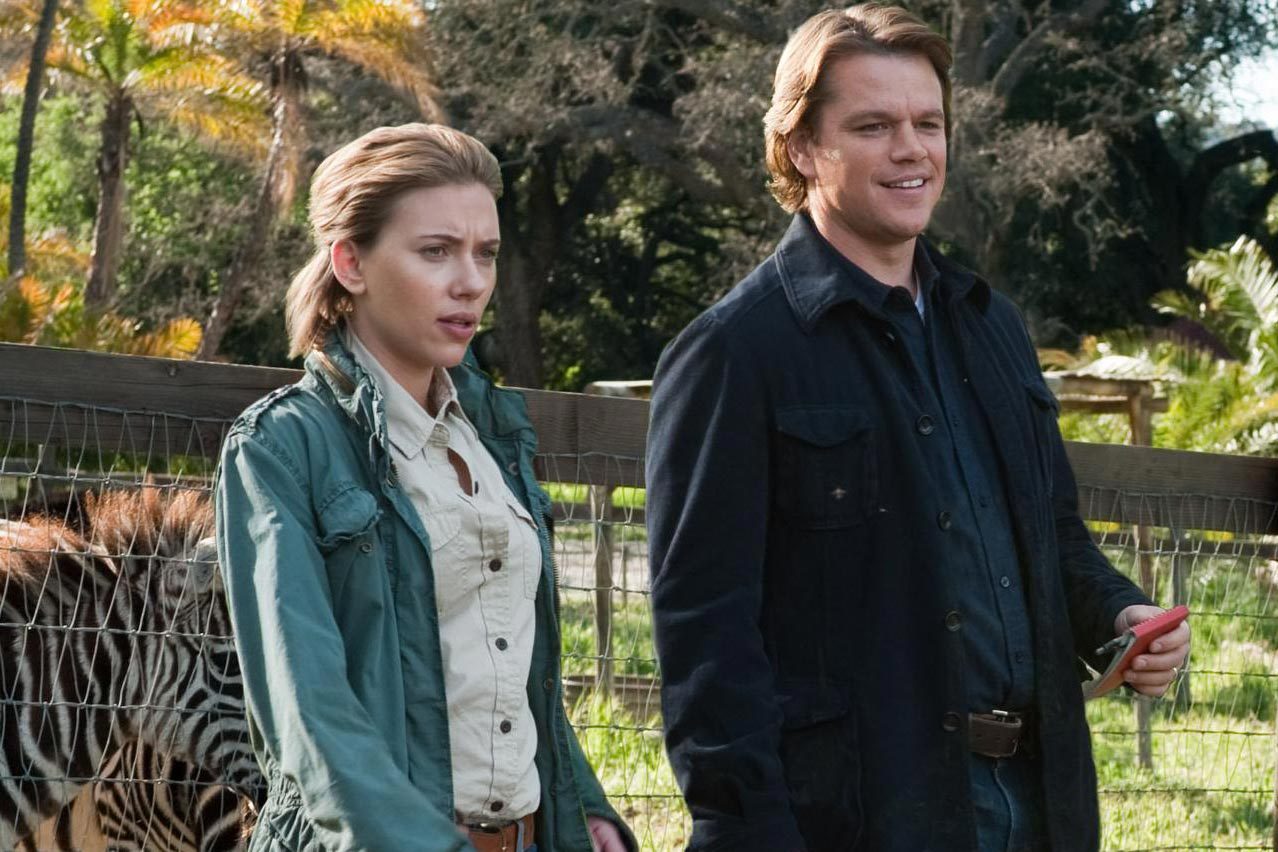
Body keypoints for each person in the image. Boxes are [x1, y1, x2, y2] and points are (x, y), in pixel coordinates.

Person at [644, 5, 1190, 851]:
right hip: (862, 818)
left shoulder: (993, 326)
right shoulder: (733, 354)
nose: (912, 150)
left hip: (1042, 801)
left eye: (928, 124)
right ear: (801, 146)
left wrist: (1119, 616)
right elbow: (706, 638)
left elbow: (1053, 537)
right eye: (873, 127)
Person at [216, 123, 633, 852]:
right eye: (436, 251)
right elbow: (308, 711)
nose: (470, 282)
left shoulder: (496, 435)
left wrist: (588, 813)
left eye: (486, 253)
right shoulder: (282, 446)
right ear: (351, 262)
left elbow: (512, 671)